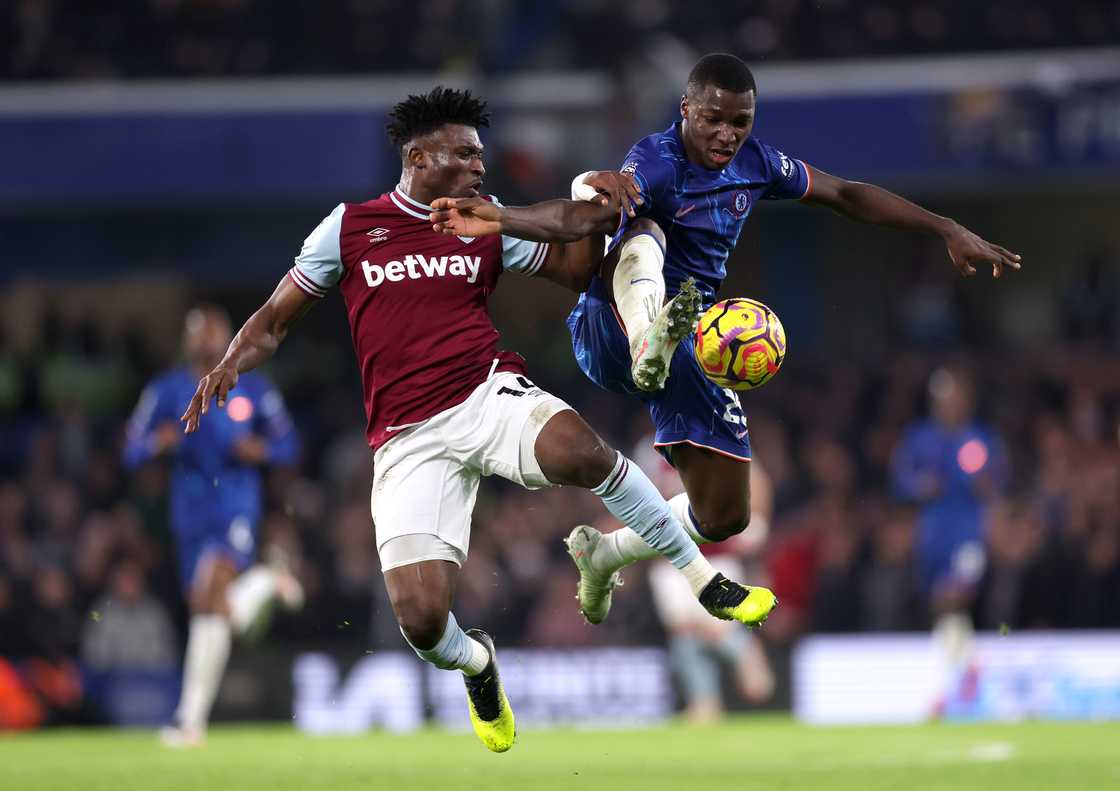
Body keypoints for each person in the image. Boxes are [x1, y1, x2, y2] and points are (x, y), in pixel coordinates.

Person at [178, 87, 776, 754]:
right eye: (464, 154)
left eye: (480, 155)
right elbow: (274, 320)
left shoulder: (482, 222)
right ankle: (478, 664)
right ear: (419, 156)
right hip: (407, 438)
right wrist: (232, 361)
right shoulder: (350, 227)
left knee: (585, 452)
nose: (478, 167)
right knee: (424, 622)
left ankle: (704, 579)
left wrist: (609, 220)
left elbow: (574, 267)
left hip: (486, 392)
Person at [429, 52, 1021, 624]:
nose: (726, 133)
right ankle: (647, 340)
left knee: (723, 516)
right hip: (610, 324)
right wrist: (499, 217)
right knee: (643, 227)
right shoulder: (654, 163)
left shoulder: (758, 164)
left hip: (693, 340)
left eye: (740, 122)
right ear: (685, 108)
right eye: (712, 118)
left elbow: (846, 195)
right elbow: (583, 220)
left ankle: (604, 553)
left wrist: (944, 227)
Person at [124, 306, 304, 746]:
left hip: (235, 507)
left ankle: (189, 721)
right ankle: (265, 581)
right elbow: (131, 449)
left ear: (229, 337)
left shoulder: (254, 387)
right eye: (198, 334)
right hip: (188, 513)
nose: (205, 342)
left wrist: (258, 451)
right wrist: (157, 443)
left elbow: (289, 445)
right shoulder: (166, 390)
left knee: (209, 594)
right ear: (187, 341)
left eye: (214, 333)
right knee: (211, 612)